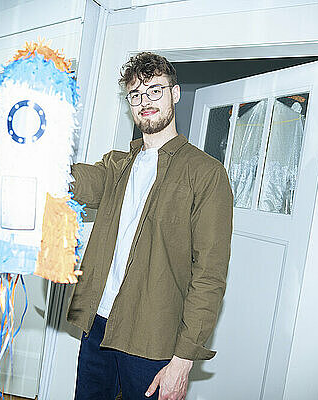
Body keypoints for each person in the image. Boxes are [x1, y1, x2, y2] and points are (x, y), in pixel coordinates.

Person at [68, 52, 233, 400]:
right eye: (136, 95)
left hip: (153, 338)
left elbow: (209, 274)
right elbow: (74, 182)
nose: (145, 102)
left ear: (175, 94)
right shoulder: (117, 165)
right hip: (98, 324)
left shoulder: (206, 173)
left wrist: (184, 359)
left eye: (155, 90)